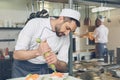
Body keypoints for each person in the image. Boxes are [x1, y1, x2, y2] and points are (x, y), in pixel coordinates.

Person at [12, 8, 80, 78]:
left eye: (70, 31)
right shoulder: (35, 24)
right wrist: (38, 52)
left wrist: (56, 62)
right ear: (61, 18)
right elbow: (17, 54)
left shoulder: (66, 37)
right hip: (22, 69)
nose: (67, 33)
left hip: (42, 69)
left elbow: (64, 66)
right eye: (67, 28)